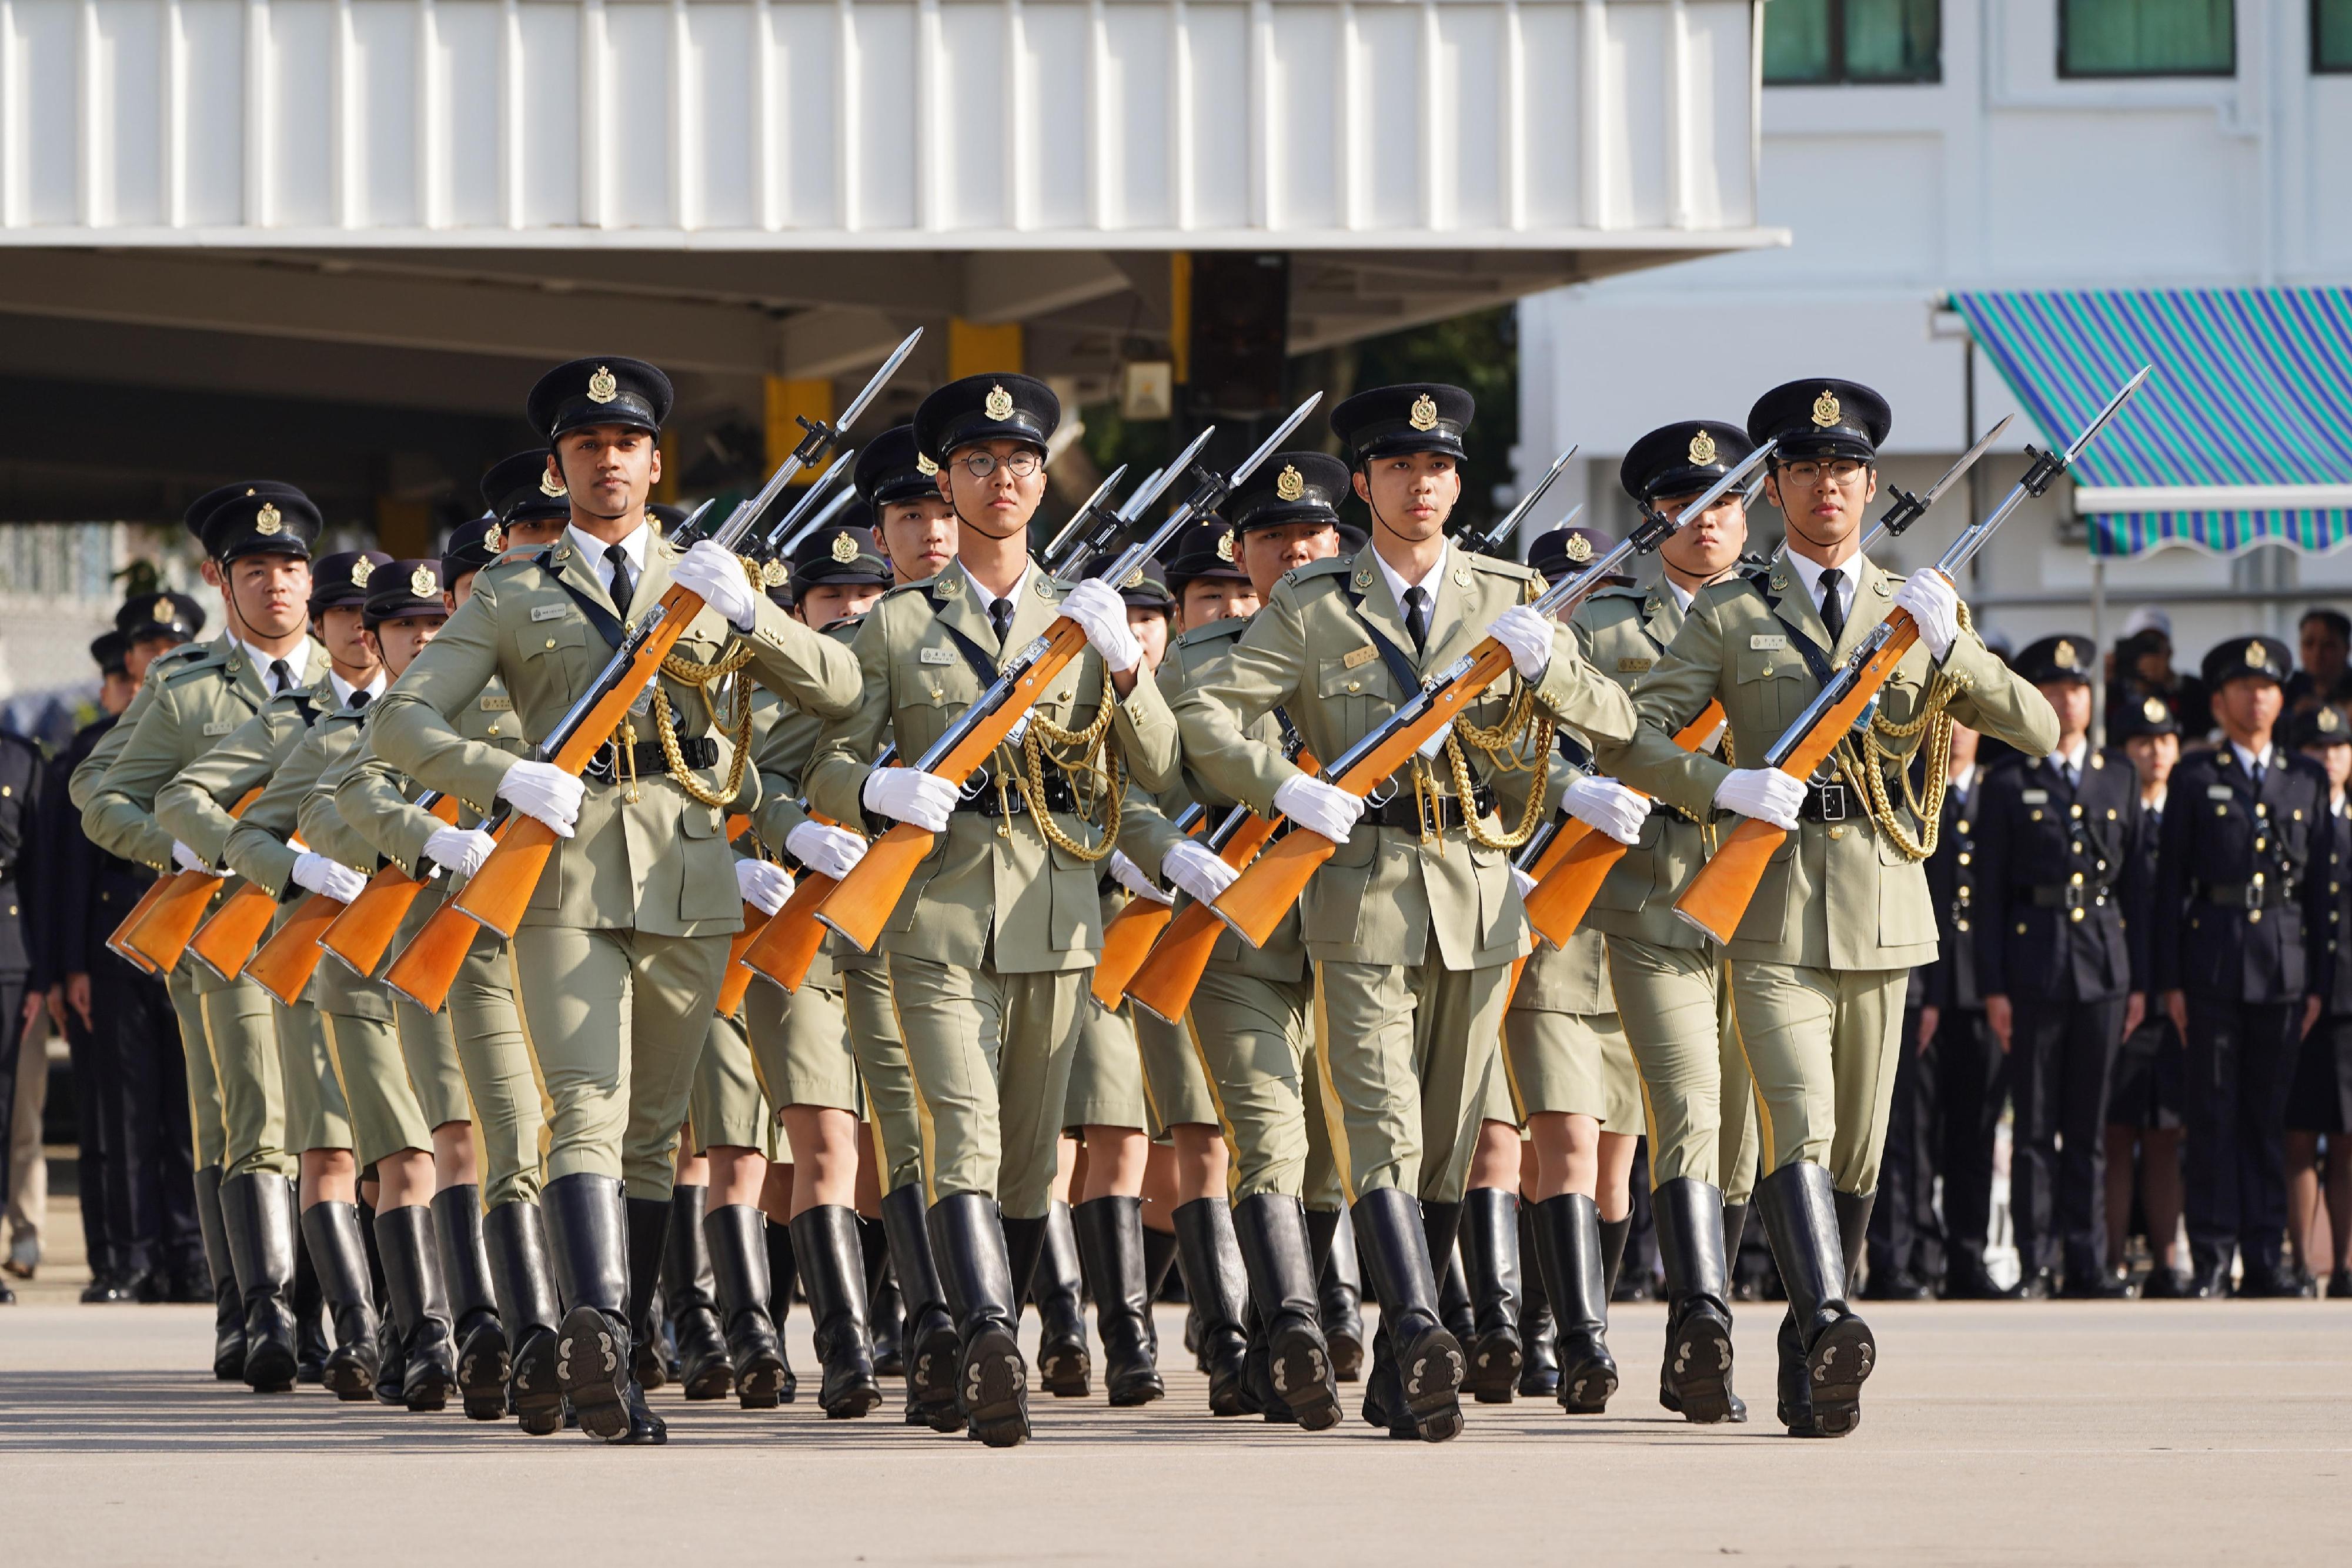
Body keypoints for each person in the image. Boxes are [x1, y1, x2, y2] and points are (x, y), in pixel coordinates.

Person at [370, 356, 862, 1444]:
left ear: (653, 461)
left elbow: (839, 689)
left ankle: (617, 1347)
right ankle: (595, 1323)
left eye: (626, 444)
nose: (608, 461)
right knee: (585, 1103)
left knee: (652, 1130)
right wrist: (500, 776)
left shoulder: (711, 577)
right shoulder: (512, 591)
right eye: (587, 446)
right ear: (561, 466)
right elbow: (396, 725)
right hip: (567, 872)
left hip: (693, 874)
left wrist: (757, 617)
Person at [1175, 384, 1638, 1443]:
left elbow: (1614, 722)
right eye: (1396, 468)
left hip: (1477, 896)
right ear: (1369, 486)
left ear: (1458, 483)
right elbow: (1210, 707)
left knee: (1446, 1139)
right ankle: (1424, 1326)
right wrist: (1277, 785)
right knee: (1377, 1122)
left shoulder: (1511, 592)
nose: (1418, 484)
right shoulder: (1314, 602)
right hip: (1361, 894)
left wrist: (1552, 662)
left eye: (1436, 468)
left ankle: (1396, 1362)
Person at [1599, 379, 2057, 1438]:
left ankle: (1810, 1351)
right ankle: (1838, 1314)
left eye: (1844, 469)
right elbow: (1634, 737)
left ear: (1872, 484)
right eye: (1803, 468)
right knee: (1795, 1125)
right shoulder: (1730, 610)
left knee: (1857, 1147)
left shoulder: (1917, 607)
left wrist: (1955, 649)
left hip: (1885, 901)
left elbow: (2033, 726)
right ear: (1776, 486)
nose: (1825, 486)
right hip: (1766, 902)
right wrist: (1717, 786)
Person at [801, 373, 1180, 1447]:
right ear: (946, 480)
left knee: (1027, 1155)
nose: (1003, 480)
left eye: (1019, 462)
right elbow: (827, 758)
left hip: (1059, 913)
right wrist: (872, 789)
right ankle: (991, 1339)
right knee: (958, 1132)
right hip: (935, 912)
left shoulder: (1083, 616)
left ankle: (974, 1335)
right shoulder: (895, 624)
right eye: (978, 463)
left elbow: (1154, 764)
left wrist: (1125, 663)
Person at [1122, 484, 1366, 1432]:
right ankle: (1293, 1324)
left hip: (1351, 931)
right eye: (1271, 537)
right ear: (1242, 549)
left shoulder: (1379, 649)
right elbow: (1143, 787)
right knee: (1265, 1135)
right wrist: (1167, 849)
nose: (1295, 552)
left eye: (1311, 534)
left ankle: (1278, 1328)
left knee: (1332, 1152)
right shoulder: (1187, 667)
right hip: (1235, 936)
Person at [82, 482, 327, 1388]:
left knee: (331, 1118)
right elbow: (98, 792)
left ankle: (325, 1306)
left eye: (292, 567)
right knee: (249, 1114)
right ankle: (260, 1310)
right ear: (222, 581)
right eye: (255, 569)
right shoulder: (185, 686)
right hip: (226, 930)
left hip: (338, 928)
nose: (277, 586)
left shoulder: (352, 673)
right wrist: (173, 843)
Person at [326, 517, 564, 1432]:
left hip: (544, 934)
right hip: (439, 934)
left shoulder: (545, 695)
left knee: (542, 1139)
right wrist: (432, 836)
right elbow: (351, 793)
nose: (434, 633)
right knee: (458, 1139)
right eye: (418, 620)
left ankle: (550, 1317)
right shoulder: (417, 708)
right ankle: (473, 1330)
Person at [1575, 422, 1768, 1424]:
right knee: (1687, 1109)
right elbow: (1547, 736)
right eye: (1689, 505)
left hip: (1767, 906)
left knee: (1740, 1135)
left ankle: (1709, 1324)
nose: (1710, 522)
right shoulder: (1602, 624)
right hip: (1652, 900)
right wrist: (1580, 787)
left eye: (1728, 501)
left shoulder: (1788, 620)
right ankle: (1702, 1323)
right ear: (1656, 517)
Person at [777, 425, 966, 1432]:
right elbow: (759, 770)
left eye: (942, 512)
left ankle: (933, 1325)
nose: (933, 534)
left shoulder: (998, 636)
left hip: (937, 924)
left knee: (925, 1131)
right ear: (880, 532)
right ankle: (849, 1343)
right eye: (911, 518)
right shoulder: (843, 653)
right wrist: (799, 826)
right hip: (817, 927)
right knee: (828, 1140)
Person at [2153, 635, 2328, 1299]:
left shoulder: (2304, 778)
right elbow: (2170, 885)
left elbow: (2318, 895)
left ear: (2280, 697)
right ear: (2221, 700)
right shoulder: (2196, 776)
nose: (2256, 697)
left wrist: (2315, 981)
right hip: (2213, 965)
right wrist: (2169, 980)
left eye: (2267, 687)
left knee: (2269, 1117)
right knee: (2213, 1112)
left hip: (2283, 967)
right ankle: (2212, 1256)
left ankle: (2266, 1256)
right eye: (2243, 687)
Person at [1971, 634, 2145, 1299]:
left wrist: (2139, 982)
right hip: (2033, 964)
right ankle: (2036, 1261)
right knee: (2037, 1127)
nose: (2067, 700)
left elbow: (2138, 889)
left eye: (2077, 688)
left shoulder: (2118, 775)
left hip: (2103, 966)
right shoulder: (2010, 779)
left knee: (2089, 1126)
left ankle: (2089, 1262)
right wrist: (1993, 987)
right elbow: (1988, 893)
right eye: (2053, 688)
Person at [48, 603, 205, 1306]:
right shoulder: (94, 746)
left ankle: (192, 1255)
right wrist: (69, 967)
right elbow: (68, 869)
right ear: (129, 658)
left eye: (174, 643)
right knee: (123, 1112)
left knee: (191, 1109)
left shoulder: (212, 736)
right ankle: (130, 1259)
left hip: (194, 933)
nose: (159, 654)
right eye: (148, 645)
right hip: (115, 945)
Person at [2104, 693, 2189, 1296]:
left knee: (2167, 1132)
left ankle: (2168, 1261)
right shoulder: (2112, 808)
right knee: (2114, 1131)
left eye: (2164, 742)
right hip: (2120, 992)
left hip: (2177, 998)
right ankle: (2105, 1260)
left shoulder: (2186, 811)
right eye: (2142, 743)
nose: (2155, 753)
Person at [2284, 702, 2352, 1296]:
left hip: (2349, 999)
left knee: (2349, 1136)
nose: (2328, 761)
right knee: (2301, 1132)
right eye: (2317, 751)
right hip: (2302, 994)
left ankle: (2347, 1265)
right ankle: (2303, 1264)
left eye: (2338, 749)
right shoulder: (2291, 815)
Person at [2110, 608, 2211, 744]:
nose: (2148, 657)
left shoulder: (2193, 691)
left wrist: (2170, 684)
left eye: (2154, 646)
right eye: (2141, 646)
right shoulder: (2110, 691)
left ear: (2169, 652)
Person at [2288, 610, 2352, 718]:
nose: (2317, 654)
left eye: (2328, 645)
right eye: (2309, 644)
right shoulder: (2288, 689)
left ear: (2346, 649)